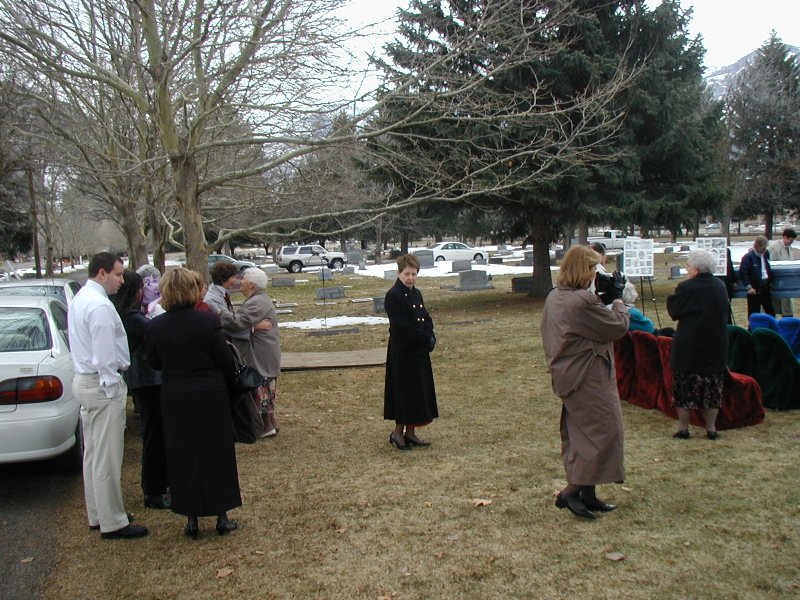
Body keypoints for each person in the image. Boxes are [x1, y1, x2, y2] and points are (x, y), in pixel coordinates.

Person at [145, 267, 241, 539]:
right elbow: (224, 359)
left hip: (175, 394)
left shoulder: (155, 326)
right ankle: (222, 515)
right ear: (191, 290)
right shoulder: (207, 321)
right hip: (210, 392)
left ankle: (191, 519)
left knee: (182, 453)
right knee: (216, 452)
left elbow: (154, 362)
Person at [540, 246, 628, 520]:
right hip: (587, 377)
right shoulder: (580, 302)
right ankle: (569, 492)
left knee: (583, 436)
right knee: (604, 433)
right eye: (591, 268)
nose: (594, 274)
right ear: (582, 269)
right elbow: (617, 326)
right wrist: (616, 299)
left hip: (570, 374)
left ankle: (587, 494)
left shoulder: (556, 296)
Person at [68, 252, 148, 539]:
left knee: (93, 453)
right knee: (107, 456)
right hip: (100, 385)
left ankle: (99, 513)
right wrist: (113, 386)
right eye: (117, 274)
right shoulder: (100, 305)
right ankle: (113, 521)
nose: (121, 280)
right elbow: (104, 355)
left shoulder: (81, 299)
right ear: (101, 273)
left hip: (87, 382)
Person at [111, 270, 170, 510]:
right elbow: (156, 337)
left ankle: (160, 484)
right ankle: (153, 491)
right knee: (154, 435)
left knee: (155, 433)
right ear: (135, 291)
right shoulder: (133, 318)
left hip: (144, 379)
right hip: (147, 379)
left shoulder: (127, 314)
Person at [667, 249, 730, 440]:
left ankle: (683, 427)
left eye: (687, 266)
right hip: (715, 343)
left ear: (695, 269)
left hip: (690, 344)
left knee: (685, 387)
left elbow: (674, 310)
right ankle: (711, 428)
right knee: (712, 388)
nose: (686, 270)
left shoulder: (687, 287)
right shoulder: (720, 286)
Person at [216, 267, 281, 437]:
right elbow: (244, 325)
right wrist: (253, 327)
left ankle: (266, 426)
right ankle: (270, 423)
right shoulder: (258, 299)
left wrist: (218, 313)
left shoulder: (256, 302)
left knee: (261, 388)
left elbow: (238, 323)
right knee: (265, 387)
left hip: (260, 354)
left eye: (243, 279)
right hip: (264, 352)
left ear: (252, 284)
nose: (240, 281)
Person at [384, 253, 438, 450]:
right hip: (403, 352)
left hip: (418, 351)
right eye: (407, 274)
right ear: (399, 273)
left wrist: (430, 335)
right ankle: (397, 432)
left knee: (417, 392)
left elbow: (425, 316)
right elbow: (403, 327)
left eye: (414, 274)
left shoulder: (416, 293)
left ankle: (411, 432)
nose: (410, 278)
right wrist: (425, 339)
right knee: (404, 392)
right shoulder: (393, 296)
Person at [739, 236, 776, 320]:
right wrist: (749, 287)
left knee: (771, 312)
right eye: (763, 248)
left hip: (765, 287)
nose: (764, 250)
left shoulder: (766, 254)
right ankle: (752, 330)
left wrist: (770, 281)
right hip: (754, 290)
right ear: (757, 246)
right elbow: (743, 273)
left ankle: (772, 329)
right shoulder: (748, 257)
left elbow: (767, 267)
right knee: (754, 314)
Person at [768, 228, 799, 317]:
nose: (791, 242)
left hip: (787, 282)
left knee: (787, 307)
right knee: (776, 306)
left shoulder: (789, 247)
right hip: (778, 282)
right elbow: (771, 264)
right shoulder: (775, 248)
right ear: (785, 237)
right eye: (790, 240)